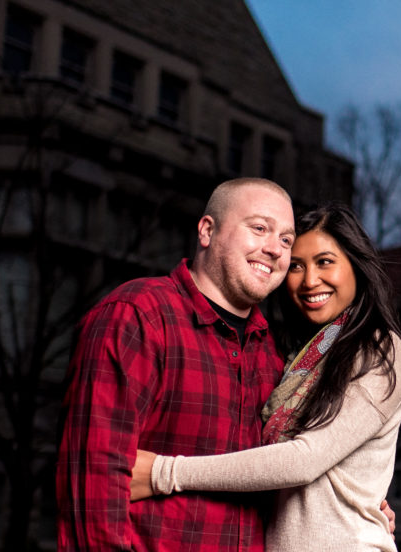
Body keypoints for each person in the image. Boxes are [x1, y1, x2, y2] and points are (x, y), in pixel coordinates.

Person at [130, 202, 401, 552]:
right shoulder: (305, 357)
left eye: (325, 262)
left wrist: (164, 474)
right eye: (296, 266)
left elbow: (304, 460)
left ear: (357, 267)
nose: (310, 280)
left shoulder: (381, 349)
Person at [55, 177, 296, 550]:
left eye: (286, 240)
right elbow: (94, 480)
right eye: (260, 228)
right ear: (207, 231)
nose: (274, 249)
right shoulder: (138, 316)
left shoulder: (274, 355)